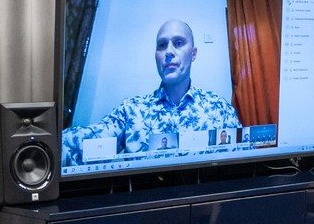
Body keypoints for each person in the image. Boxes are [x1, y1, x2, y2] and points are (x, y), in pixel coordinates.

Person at [62, 20, 239, 164]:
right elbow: (81, 143)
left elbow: (242, 165)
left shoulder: (219, 109)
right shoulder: (131, 111)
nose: (169, 51)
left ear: (193, 54)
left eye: (178, 43)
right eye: (162, 45)